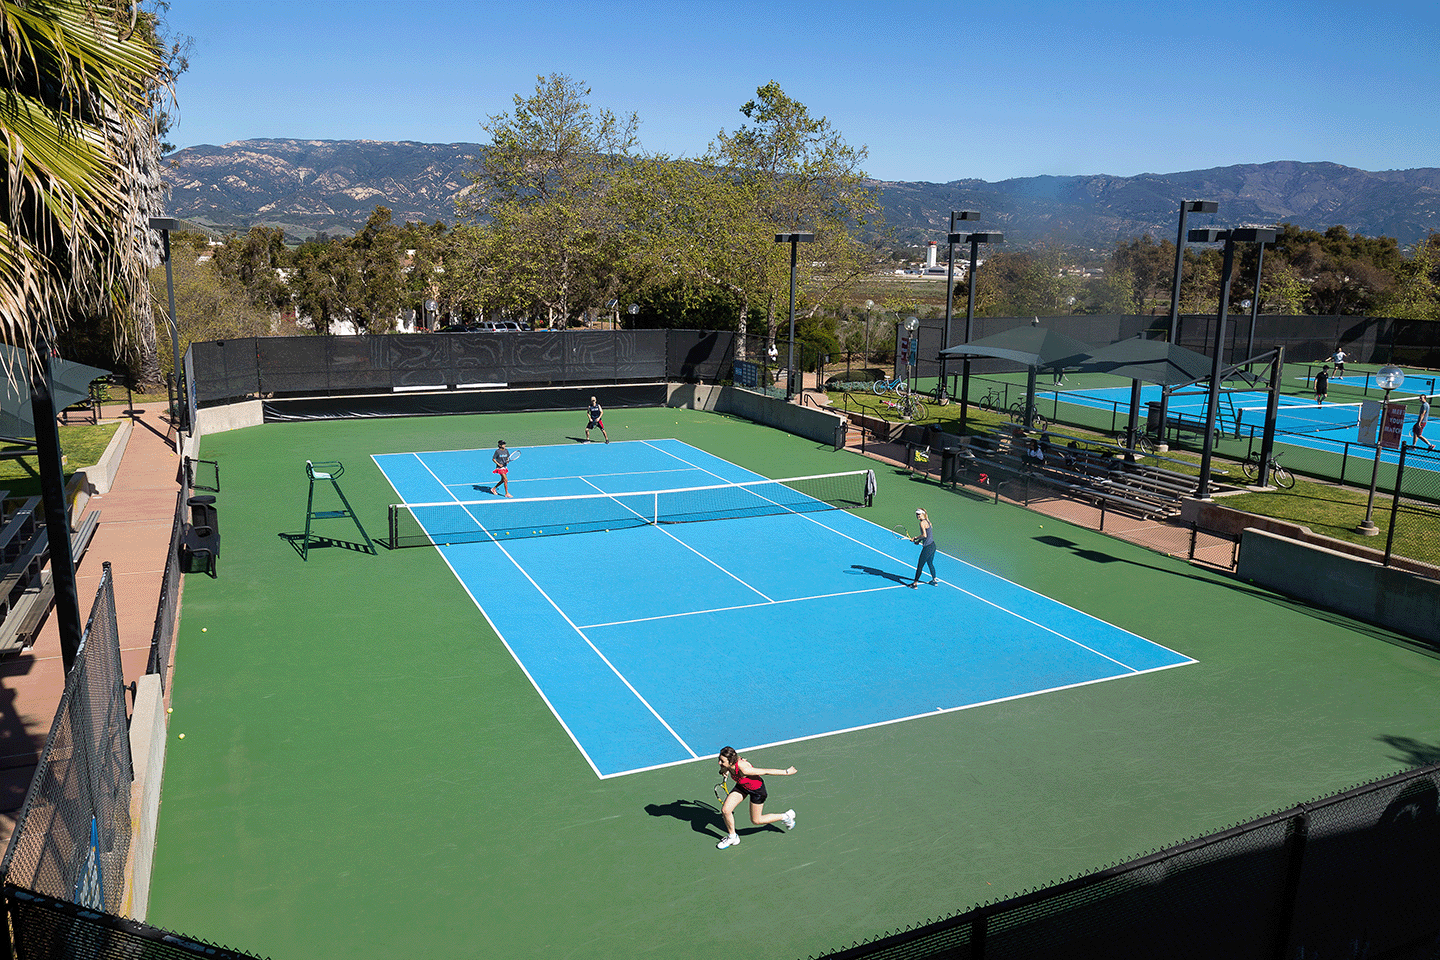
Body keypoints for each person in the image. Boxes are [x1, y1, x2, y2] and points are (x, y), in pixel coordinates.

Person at [715, 746, 796, 850]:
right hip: (742, 787)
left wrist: (787, 772)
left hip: (757, 791)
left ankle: (785, 816)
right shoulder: (730, 763)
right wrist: (725, 770)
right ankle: (733, 837)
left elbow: (766, 771)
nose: (719, 763)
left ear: (731, 761)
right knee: (726, 810)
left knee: (756, 820)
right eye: (719, 760)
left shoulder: (744, 769)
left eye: (722, 761)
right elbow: (725, 768)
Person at [909, 507, 937, 588]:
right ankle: (934, 580)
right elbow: (927, 537)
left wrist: (915, 538)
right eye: (916, 514)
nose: (917, 515)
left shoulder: (922, 523)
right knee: (930, 563)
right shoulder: (928, 522)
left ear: (923, 514)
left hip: (928, 548)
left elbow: (924, 535)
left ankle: (915, 584)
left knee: (920, 565)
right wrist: (918, 541)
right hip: (932, 546)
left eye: (919, 514)